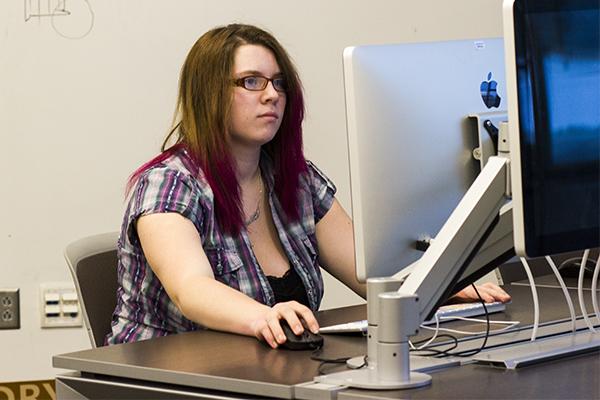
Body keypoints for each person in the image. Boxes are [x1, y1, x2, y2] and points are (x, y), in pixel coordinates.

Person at [105, 23, 510, 348]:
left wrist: (440, 287)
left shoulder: (295, 181)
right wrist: (262, 316)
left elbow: (369, 274)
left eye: (279, 83)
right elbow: (191, 290)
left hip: (267, 373)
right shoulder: (168, 185)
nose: (272, 96)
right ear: (208, 94)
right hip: (164, 380)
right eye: (251, 82)